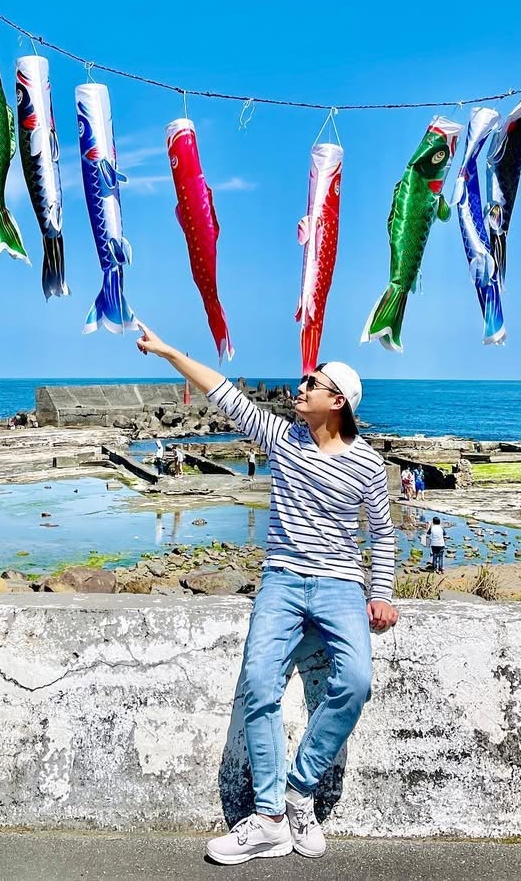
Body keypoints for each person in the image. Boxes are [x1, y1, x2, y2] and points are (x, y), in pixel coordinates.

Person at [136, 321, 398, 864]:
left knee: (355, 682)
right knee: (258, 685)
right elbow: (220, 390)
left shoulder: (368, 463)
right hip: (280, 579)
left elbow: (382, 530)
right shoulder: (282, 439)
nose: (299, 387)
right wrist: (168, 350)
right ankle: (270, 818)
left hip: (341, 586)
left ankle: (300, 790)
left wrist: (383, 592)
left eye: (311, 382)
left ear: (337, 402)